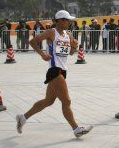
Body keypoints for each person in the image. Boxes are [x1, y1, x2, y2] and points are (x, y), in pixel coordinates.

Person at [15, 10, 93, 138]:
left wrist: (74, 46)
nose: (69, 22)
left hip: (63, 70)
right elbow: (33, 41)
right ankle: (76, 129)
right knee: (66, 101)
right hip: (54, 70)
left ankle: (23, 118)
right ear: (60, 20)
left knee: (48, 101)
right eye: (67, 20)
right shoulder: (52, 32)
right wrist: (42, 54)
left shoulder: (68, 35)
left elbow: (71, 53)